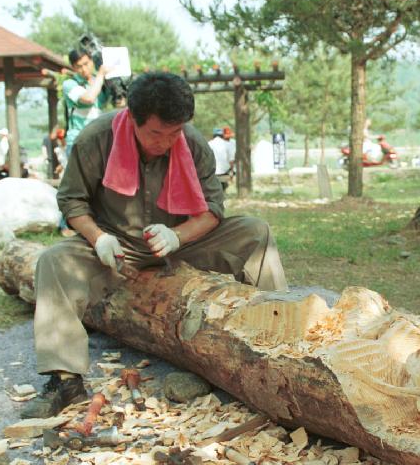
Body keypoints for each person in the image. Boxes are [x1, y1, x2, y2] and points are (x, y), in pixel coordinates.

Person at [21, 72, 288, 419]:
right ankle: (65, 381)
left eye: (174, 132)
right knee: (53, 262)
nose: (166, 142)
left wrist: (178, 235)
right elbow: (72, 201)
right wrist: (98, 238)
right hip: (116, 246)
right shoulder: (96, 139)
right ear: (132, 118)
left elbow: (212, 211)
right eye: (156, 133)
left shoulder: (191, 143)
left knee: (256, 232)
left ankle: (282, 338)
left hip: (179, 242)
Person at [63, 48, 110, 151]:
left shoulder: (100, 82)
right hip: (78, 141)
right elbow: (89, 98)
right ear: (73, 68)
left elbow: (119, 103)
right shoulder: (69, 84)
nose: (84, 69)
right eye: (79, 66)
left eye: (86, 64)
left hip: (97, 141)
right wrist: (101, 75)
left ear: (92, 61)